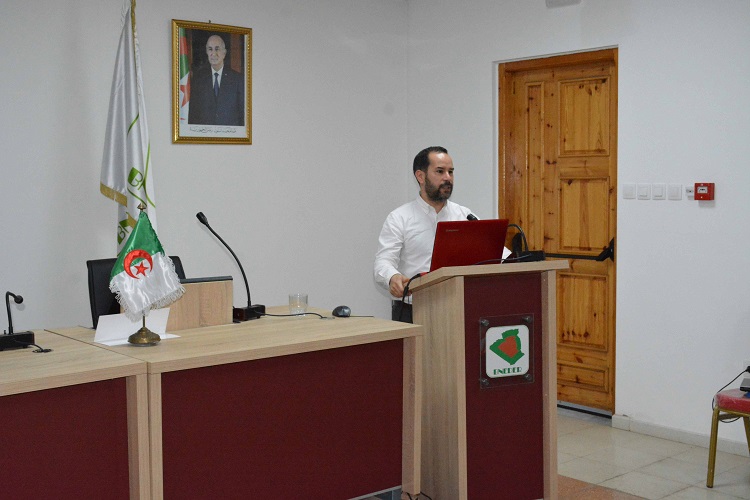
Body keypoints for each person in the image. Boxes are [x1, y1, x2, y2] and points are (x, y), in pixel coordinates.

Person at [374, 146, 474, 323]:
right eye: (440, 171)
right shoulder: (400, 217)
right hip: (413, 310)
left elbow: (496, 254)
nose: (448, 178)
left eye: (451, 172)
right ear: (420, 176)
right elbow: (383, 262)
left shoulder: (465, 216)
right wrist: (392, 277)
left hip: (458, 310)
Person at [188, 34, 244, 126]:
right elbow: (193, 114)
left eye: (217, 49)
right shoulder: (198, 79)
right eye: (210, 49)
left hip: (230, 133)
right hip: (205, 133)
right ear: (207, 52)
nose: (213, 53)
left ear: (224, 53)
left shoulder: (237, 79)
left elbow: (243, 114)